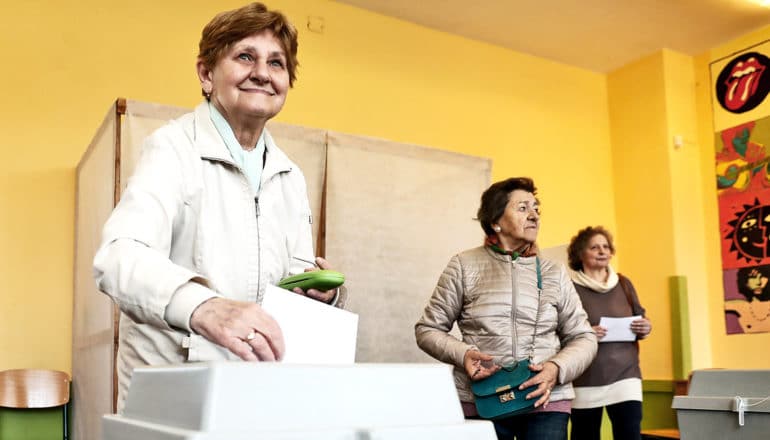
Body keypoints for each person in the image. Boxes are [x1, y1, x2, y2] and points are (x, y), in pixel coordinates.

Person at [93, 2, 345, 411]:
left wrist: (315, 290)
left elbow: (292, 275)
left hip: (256, 393)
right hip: (175, 394)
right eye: (245, 56)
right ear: (207, 74)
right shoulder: (172, 148)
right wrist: (204, 307)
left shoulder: (290, 175)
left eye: (276, 63)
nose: (262, 72)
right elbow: (119, 257)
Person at [415, 177, 597, 440]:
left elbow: (584, 337)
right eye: (523, 208)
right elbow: (428, 329)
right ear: (495, 221)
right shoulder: (463, 265)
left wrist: (556, 368)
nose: (534, 215)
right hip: (481, 401)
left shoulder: (554, 272)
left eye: (536, 208)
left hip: (546, 402)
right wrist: (464, 354)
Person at [566, 226, 651, 440]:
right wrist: (586, 333)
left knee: (629, 435)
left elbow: (641, 315)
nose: (602, 251)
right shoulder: (568, 287)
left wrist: (645, 326)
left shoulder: (623, 283)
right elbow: (559, 329)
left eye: (605, 246)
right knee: (585, 435)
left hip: (626, 375)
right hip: (585, 377)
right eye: (594, 247)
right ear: (580, 254)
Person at [725, 265, 770, 333]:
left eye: (763, 277)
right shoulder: (742, 307)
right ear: (745, 281)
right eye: (753, 277)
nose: (759, 282)